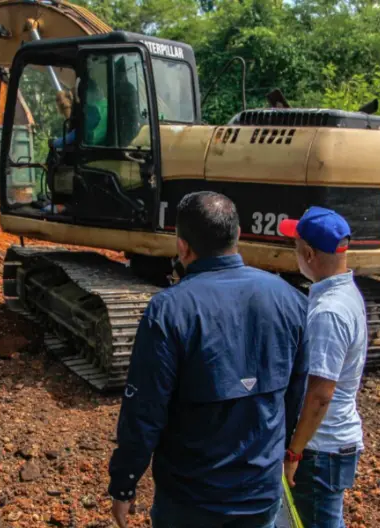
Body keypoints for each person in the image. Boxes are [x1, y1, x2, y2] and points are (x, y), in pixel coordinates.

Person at [107, 191, 309, 528]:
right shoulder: (288, 299)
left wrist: (125, 482)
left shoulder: (169, 310)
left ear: (183, 247)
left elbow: (144, 411)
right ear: (237, 235)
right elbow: (297, 393)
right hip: (259, 494)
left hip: (191, 501)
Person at [278, 207, 367, 528]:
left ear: (309, 254)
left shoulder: (328, 312)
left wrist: (294, 454)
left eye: (296, 247)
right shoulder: (346, 294)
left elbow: (320, 394)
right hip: (333, 444)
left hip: (320, 449)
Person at [52, 78, 108, 149]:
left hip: (91, 148)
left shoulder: (94, 110)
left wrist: (54, 143)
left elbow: (78, 133)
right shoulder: (108, 104)